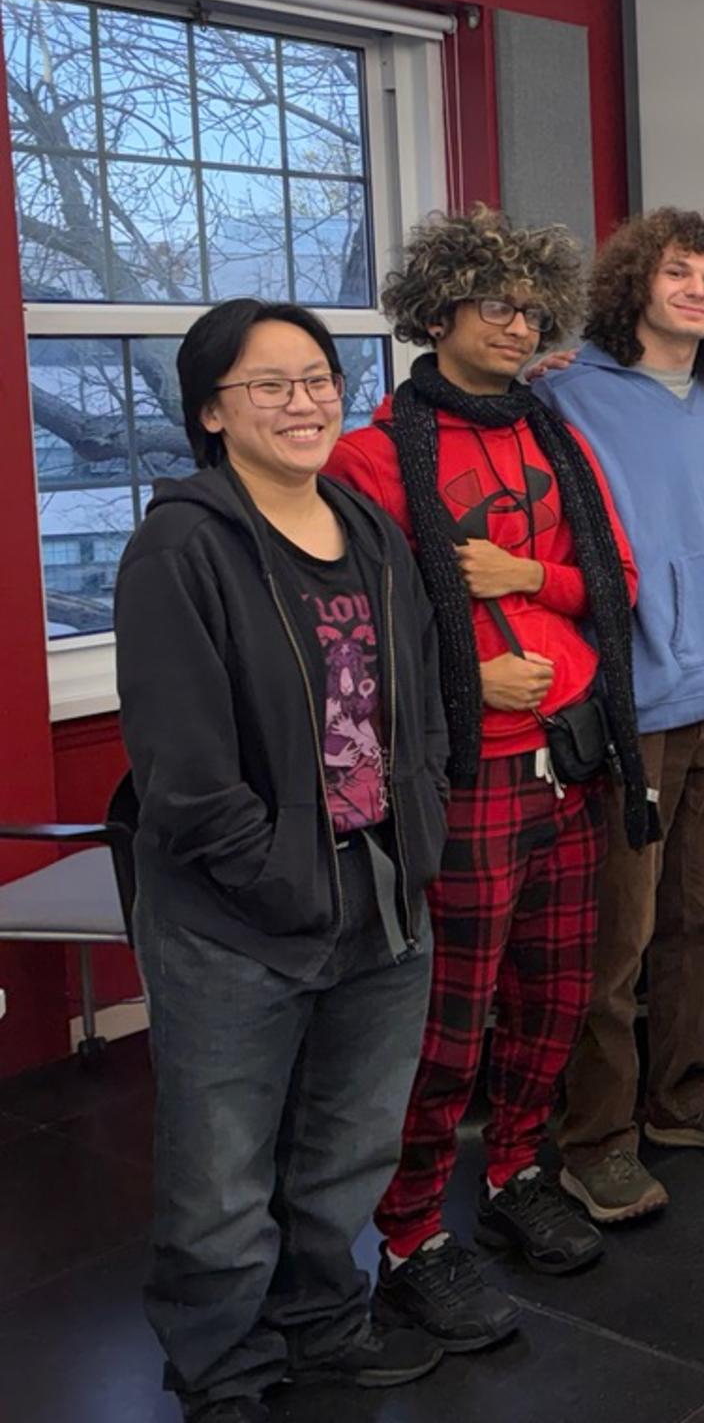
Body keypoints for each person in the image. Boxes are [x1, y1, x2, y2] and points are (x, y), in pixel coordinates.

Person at [116, 301, 450, 1423]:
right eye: (269, 385)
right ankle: (222, 1369)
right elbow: (186, 775)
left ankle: (322, 1325)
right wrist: (282, 880)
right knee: (220, 1173)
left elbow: (422, 708)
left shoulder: (368, 529)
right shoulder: (182, 546)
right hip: (239, 917)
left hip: (384, 900)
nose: (303, 402)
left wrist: (422, 833)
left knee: (346, 1148)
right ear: (212, 410)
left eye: (317, 378)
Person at [325, 207, 647, 1350]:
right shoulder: (372, 454)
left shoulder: (557, 441)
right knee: (450, 1022)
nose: (518, 326)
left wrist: (526, 576)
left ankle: (513, 1174)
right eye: (495, 305)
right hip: (470, 777)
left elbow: (617, 584)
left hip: (576, 761)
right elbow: (359, 625)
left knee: (552, 997)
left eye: (530, 308)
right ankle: (409, 1232)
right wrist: (473, 663)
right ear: (439, 310)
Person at [539, 209, 704, 1225]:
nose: (695, 288)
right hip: (630, 695)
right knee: (618, 934)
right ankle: (593, 1140)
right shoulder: (561, 390)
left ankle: (684, 1096)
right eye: (676, 272)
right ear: (636, 283)